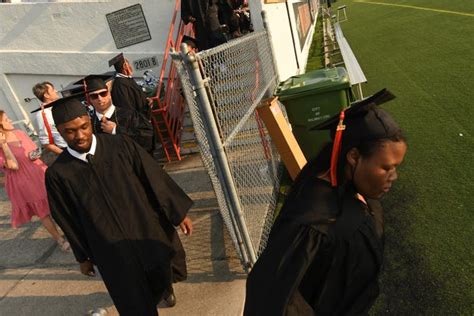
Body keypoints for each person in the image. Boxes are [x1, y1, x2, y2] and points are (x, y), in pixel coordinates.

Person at [244, 89, 408, 315]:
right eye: (386, 167)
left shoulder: (349, 188)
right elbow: (270, 293)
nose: (393, 176)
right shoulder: (313, 220)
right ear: (353, 157)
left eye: (396, 167)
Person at [43, 94, 193, 316]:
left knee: (162, 270)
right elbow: (67, 218)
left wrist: (177, 212)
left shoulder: (119, 145)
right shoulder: (58, 174)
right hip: (108, 245)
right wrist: (82, 256)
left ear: (89, 120)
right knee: (131, 296)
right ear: (60, 131)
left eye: (84, 127)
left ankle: (164, 289)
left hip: (143, 226)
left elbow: (152, 177)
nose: (79, 135)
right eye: (70, 131)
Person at [0, 111, 70, 251]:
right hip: (24, 181)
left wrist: (34, 154)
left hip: (39, 171)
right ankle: (59, 239)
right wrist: (4, 145)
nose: (10, 121)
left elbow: (33, 150)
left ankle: (70, 232)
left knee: (57, 202)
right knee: (43, 212)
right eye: (6, 120)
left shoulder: (19, 133)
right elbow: (13, 165)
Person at [83, 75, 155, 154]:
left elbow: (148, 139)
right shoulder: (90, 125)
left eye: (103, 93)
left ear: (109, 94)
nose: (100, 98)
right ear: (90, 100)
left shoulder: (130, 115)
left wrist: (116, 130)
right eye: (94, 96)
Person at [108, 53, 151, 120]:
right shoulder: (120, 85)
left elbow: (137, 94)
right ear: (124, 66)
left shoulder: (127, 79)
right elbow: (127, 106)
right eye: (128, 64)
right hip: (135, 119)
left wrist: (146, 99)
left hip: (141, 111)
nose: (130, 67)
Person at [32, 82, 68, 158]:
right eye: (53, 90)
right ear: (46, 95)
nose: (56, 91)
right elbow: (46, 143)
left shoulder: (60, 106)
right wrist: (66, 155)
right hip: (66, 149)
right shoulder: (42, 115)